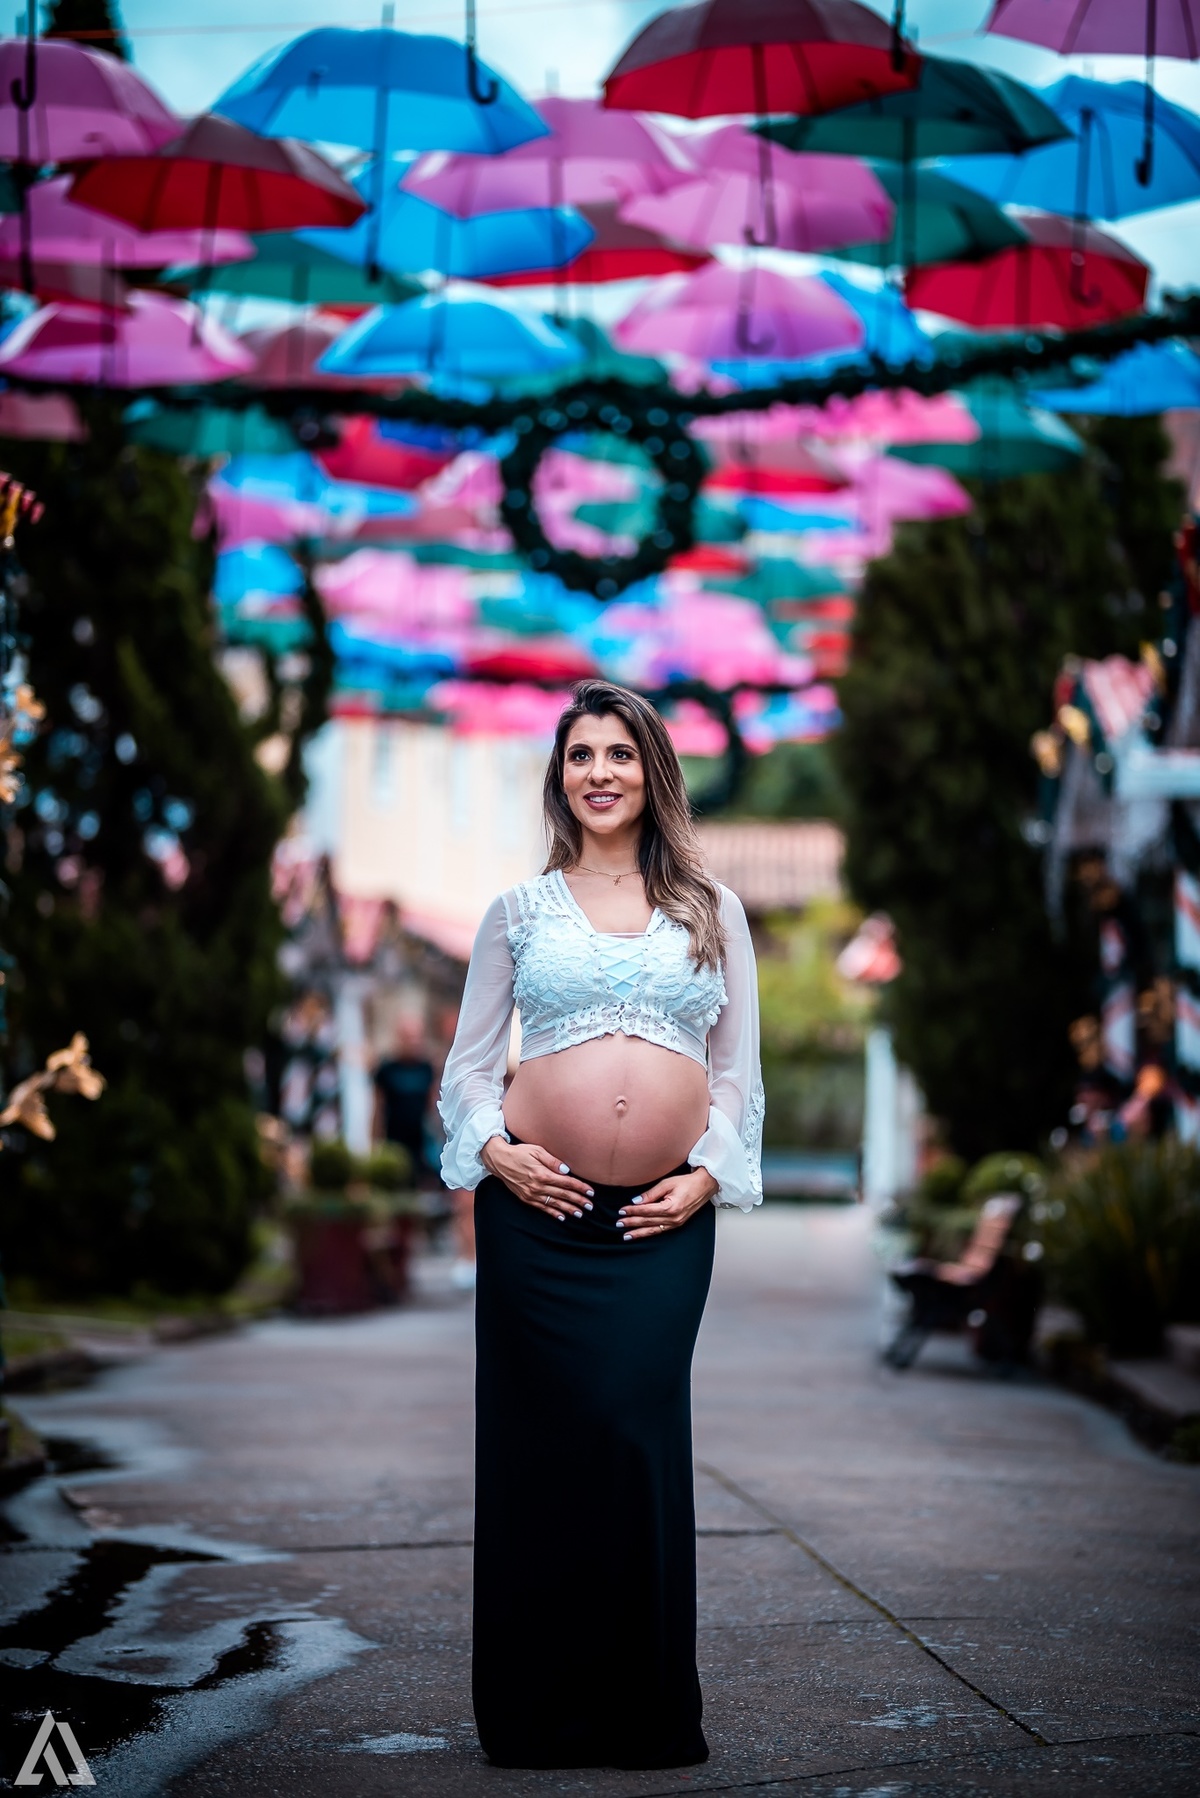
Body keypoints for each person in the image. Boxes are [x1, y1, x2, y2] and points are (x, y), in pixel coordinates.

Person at [439, 679, 763, 1771]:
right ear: (560, 776)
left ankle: (645, 1712)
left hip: (661, 1225)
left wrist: (709, 1176)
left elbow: (736, 1076)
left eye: (619, 753)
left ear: (652, 769)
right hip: (538, 1220)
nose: (600, 773)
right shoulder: (518, 913)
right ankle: (536, 1718)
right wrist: (498, 1154)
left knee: (633, 1432)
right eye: (581, 755)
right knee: (543, 1450)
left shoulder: (712, 911)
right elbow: (469, 1072)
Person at [372, 1017, 435, 1180]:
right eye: (409, 1037)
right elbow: (378, 1108)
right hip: (393, 1142)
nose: (414, 1042)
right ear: (400, 1038)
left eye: (417, 1037)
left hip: (420, 1144)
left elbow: (433, 1105)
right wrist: (375, 1143)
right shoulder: (386, 1070)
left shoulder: (426, 1068)